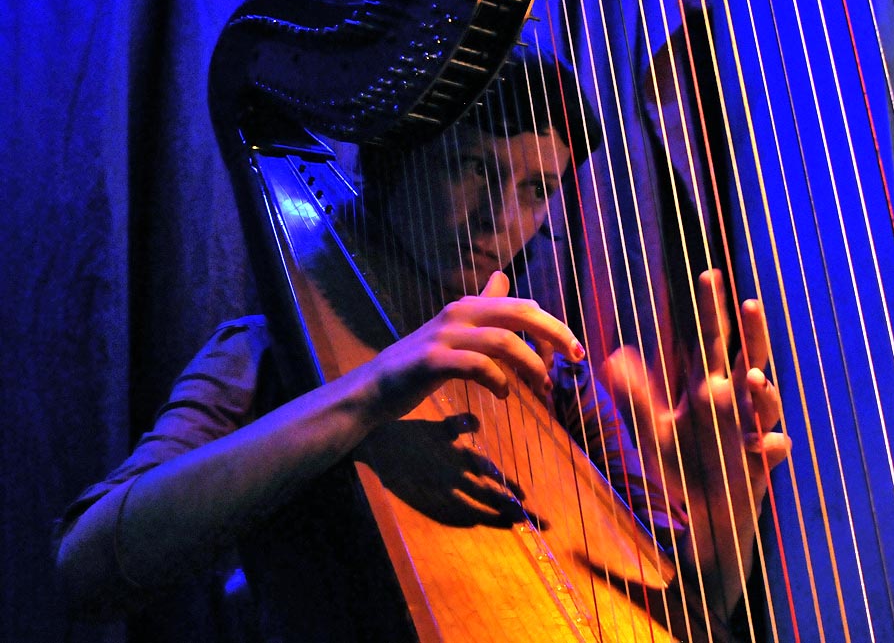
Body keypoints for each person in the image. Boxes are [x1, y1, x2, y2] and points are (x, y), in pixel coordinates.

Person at [55, 45, 788, 639]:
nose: (500, 218)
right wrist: (367, 400)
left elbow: (692, 615)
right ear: (397, 157)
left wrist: (727, 524)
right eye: (472, 169)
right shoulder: (266, 353)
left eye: (537, 190)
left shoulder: (553, 378)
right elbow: (85, 569)